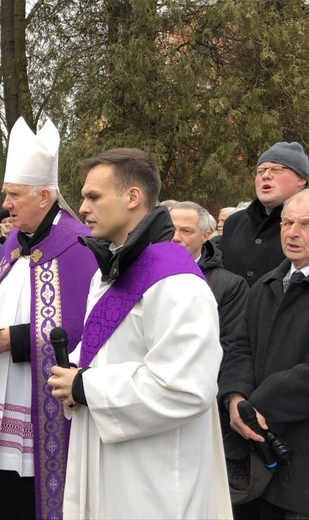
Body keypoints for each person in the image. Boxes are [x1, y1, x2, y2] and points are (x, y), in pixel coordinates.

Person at [47, 148, 231, 519]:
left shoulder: (176, 281)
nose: (82, 208)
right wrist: (74, 378)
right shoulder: (113, 270)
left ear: (132, 197)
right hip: (110, 455)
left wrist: (86, 386)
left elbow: (187, 387)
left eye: (93, 196)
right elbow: (113, 348)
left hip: (154, 475)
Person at [0, 117, 98, 520]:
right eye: (6, 194)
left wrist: (16, 340)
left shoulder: (80, 246)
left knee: (29, 490)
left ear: (44, 195)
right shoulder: (11, 242)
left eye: (14, 195)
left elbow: (86, 328)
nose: (5, 204)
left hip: (37, 395)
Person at [218, 189, 309, 519]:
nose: (292, 232)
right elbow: (240, 346)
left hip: (308, 475)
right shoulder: (265, 285)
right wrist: (235, 397)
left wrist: (259, 403)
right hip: (255, 466)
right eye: (287, 222)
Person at [220, 142, 309, 286]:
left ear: (301, 179)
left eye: (276, 169)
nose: (266, 176)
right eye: (261, 171)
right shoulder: (234, 222)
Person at [170, 201, 249, 357]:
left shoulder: (230, 286)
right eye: (170, 229)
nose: (175, 237)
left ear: (205, 235)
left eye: (186, 231)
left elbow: (231, 344)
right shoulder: (141, 275)